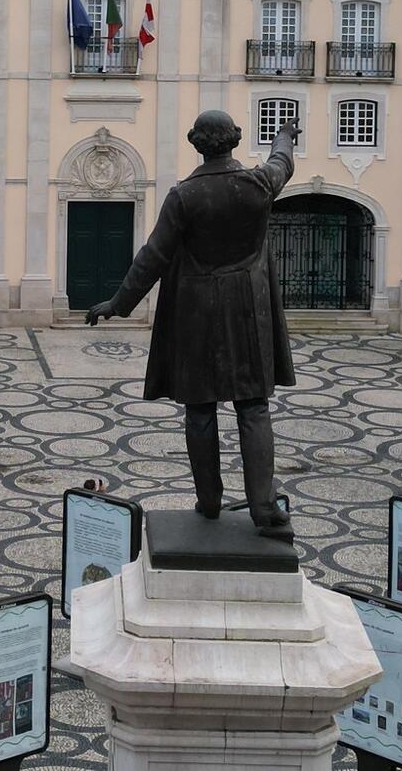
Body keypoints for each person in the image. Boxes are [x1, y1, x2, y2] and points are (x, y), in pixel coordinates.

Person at [87, 110, 300, 539]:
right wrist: (284, 135)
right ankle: (263, 507)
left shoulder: (183, 196)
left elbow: (153, 256)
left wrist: (118, 302)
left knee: (200, 409)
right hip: (247, 308)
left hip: (197, 311)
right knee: (253, 406)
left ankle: (209, 499)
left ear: (195, 142)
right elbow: (283, 162)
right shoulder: (258, 184)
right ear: (236, 140)